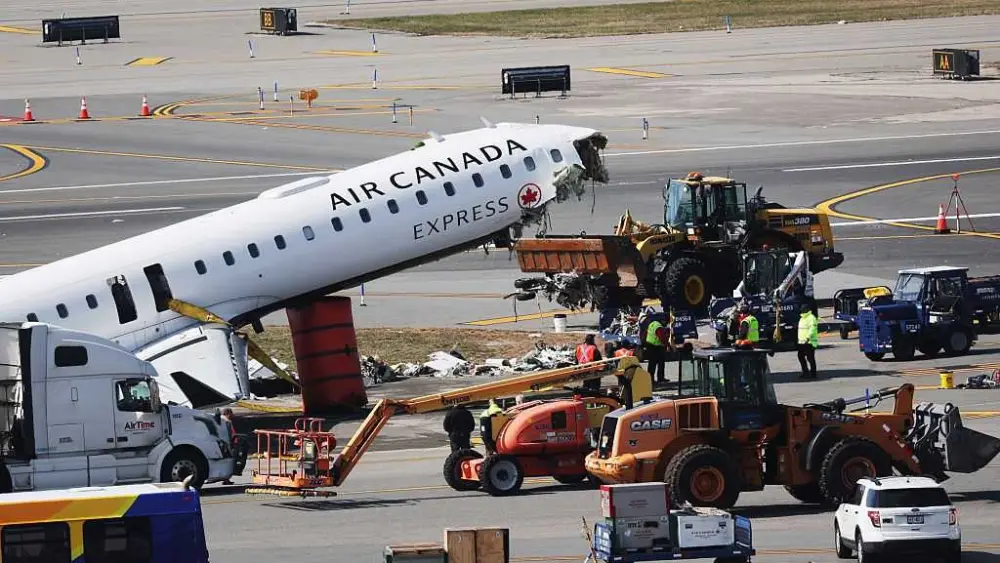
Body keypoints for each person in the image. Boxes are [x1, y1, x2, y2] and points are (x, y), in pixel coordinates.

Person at [642, 315, 669, 384]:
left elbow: (646, 334)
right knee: (660, 363)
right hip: (656, 346)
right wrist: (667, 345)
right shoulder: (658, 327)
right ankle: (660, 378)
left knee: (652, 364)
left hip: (649, 345)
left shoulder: (652, 324)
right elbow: (662, 338)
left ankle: (650, 379)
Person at [797, 303, 819, 379]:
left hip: (809, 342)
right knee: (800, 356)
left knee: (810, 358)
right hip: (802, 342)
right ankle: (805, 372)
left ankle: (813, 374)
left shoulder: (811, 318)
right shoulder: (802, 318)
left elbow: (812, 330)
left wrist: (808, 338)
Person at [220, 408, 236, 485]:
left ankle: (226, 479)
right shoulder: (226, 421)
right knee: (229, 461)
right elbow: (229, 434)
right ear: (227, 413)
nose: (232, 415)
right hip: (228, 444)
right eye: (231, 413)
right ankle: (226, 479)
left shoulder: (220, 420)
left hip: (224, 443)